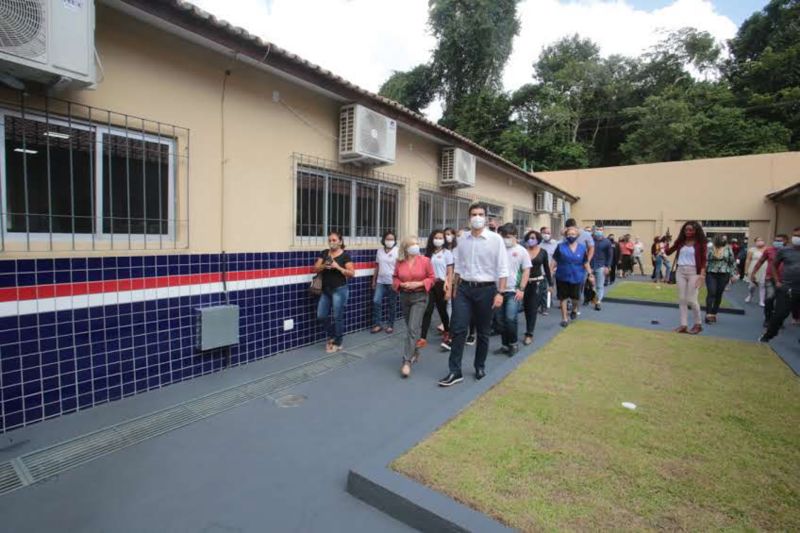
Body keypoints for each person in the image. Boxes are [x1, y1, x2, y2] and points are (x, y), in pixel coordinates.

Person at [438, 202, 509, 387]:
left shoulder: (496, 239)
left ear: (485, 218)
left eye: (481, 214)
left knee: (483, 332)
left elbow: (503, 268)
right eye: (474, 214)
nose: (477, 217)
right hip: (463, 289)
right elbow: (458, 266)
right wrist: (453, 289)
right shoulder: (462, 239)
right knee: (458, 329)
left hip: (487, 290)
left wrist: (500, 292)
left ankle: (480, 365)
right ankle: (455, 371)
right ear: (469, 218)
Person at [392, 236, 435, 378]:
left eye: (417, 244)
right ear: (405, 247)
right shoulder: (399, 262)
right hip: (405, 296)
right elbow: (395, 278)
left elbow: (432, 278)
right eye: (412, 244)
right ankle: (415, 351)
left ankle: (406, 361)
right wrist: (400, 284)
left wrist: (419, 283)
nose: (415, 246)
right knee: (411, 327)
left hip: (420, 297)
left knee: (412, 328)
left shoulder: (425, 261)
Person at [314, 231, 355, 353]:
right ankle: (332, 335)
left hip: (339, 290)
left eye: (334, 240)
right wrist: (323, 266)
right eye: (330, 240)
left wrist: (337, 267)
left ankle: (338, 342)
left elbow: (352, 273)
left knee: (337, 317)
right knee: (321, 315)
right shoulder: (324, 253)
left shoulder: (345, 256)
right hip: (325, 290)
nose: (331, 242)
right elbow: (315, 268)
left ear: (340, 242)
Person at [664, 221, 707, 334]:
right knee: (682, 299)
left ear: (696, 230)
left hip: (694, 272)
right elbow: (668, 252)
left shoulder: (701, 243)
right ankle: (683, 325)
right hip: (680, 271)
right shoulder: (681, 242)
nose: (688, 232)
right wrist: (667, 242)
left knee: (692, 299)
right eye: (686, 230)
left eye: (690, 230)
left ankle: (698, 324)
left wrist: (702, 275)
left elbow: (703, 260)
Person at [495, 224, 531, 355]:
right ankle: (504, 345)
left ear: (515, 236)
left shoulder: (521, 251)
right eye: (503, 236)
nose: (506, 239)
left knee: (510, 318)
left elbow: (526, 270)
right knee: (500, 320)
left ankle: (513, 343)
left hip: (513, 290)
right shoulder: (498, 249)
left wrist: (521, 288)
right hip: (498, 290)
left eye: (508, 237)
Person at [760, 227, 800, 343]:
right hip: (788, 288)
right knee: (779, 315)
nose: (797, 238)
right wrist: (777, 280)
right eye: (796, 236)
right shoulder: (785, 251)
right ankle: (768, 335)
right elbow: (773, 265)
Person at [552, 226, 594, 328]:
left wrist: (590, 274)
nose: (571, 236)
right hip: (562, 276)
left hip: (577, 276)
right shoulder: (560, 247)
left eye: (573, 234)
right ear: (566, 236)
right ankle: (564, 318)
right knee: (563, 298)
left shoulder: (582, 248)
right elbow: (554, 261)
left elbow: (585, 262)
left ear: (577, 236)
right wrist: (550, 273)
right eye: (569, 234)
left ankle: (575, 309)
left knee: (576, 298)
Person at [420, 229, 454, 350]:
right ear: (432, 239)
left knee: (442, 310)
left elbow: (450, 272)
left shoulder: (447, 253)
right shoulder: (428, 253)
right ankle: (423, 337)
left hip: (442, 285)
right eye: (436, 237)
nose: (438, 240)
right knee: (427, 310)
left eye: (441, 238)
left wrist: (449, 287)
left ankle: (447, 331)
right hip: (430, 284)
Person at [751, 234, 790, 326]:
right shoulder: (769, 250)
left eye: (780, 241)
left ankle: (778, 320)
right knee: (769, 298)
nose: (777, 242)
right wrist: (753, 273)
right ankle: (768, 319)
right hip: (770, 278)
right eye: (776, 240)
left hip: (786, 280)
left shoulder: (790, 251)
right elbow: (760, 261)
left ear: (786, 241)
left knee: (782, 302)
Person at [522, 230, 552, 345]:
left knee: (533, 308)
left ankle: (529, 333)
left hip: (537, 283)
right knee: (526, 307)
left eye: (533, 238)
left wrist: (550, 283)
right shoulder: (523, 251)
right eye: (529, 237)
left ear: (538, 239)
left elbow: (547, 269)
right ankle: (528, 327)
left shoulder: (543, 252)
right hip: (524, 284)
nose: (531, 240)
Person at [371, 231, 398, 334]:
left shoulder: (397, 251)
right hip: (380, 281)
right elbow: (377, 266)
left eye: (392, 239)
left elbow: (400, 267)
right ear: (383, 240)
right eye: (388, 239)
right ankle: (377, 325)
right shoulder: (380, 251)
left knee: (392, 304)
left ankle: (390, 325)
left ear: (394, 241)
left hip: (392, 282)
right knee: (376, 301)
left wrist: (397, 281)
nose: (389, 241)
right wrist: (374, 280)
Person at [705, 235, 735, 324]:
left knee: (718, 294)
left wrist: (733, 275)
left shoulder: (728, 249)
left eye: (725, 239)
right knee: (711, 292)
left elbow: (732, 262)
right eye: (722, 239)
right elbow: (706, 260)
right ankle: (708, 315)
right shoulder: (710, 248)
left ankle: (714, 313)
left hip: (724, 273)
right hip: (711, 273)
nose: (723, 240)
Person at [589, 226, 614, 310]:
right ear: (594, 230)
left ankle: (598, 302)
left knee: (600, 285)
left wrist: (608, 266)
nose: (599, 231)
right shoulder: (590, 240)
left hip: (601, 265)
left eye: (600, 230)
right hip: (590, 266)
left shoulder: (607, 242)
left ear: (603, 231)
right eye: (597, 229)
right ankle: (593, 298)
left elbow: (610, 255)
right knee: (591, 285)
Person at [538, 226, 558, 314]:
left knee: (548, 288)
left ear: (551, 234)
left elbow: (558, 257)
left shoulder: (555, 244)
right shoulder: (538, 244)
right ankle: (543, 306)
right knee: (542, 289)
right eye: (544, 233)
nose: (546, 235)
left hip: (551, 270)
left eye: (548, 233)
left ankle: (545, 305)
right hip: (540, 270)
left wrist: (554, 268)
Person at [744, 238, 768, 306]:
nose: (760, 242)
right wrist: (746, 270)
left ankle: (761, 301)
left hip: (764, 269)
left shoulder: (767, 249)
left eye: (761, 240)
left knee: (762, 285)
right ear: (755, 242)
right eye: (758, 240)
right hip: (753, 269)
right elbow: (748, 260)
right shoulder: (752, 250)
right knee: (752, 286)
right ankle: (750, 295)